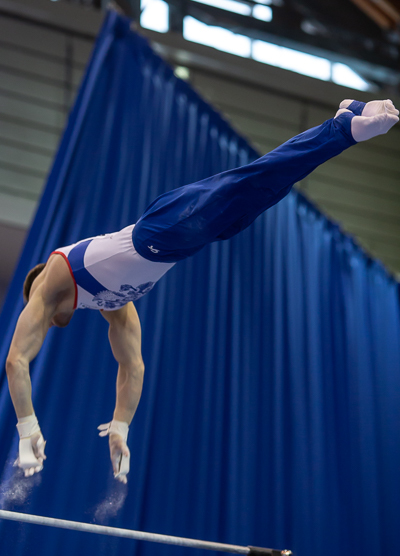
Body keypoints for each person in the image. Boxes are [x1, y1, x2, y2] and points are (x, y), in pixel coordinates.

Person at [5, 99, 399, 484]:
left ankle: (343, 127)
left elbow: (16, 360)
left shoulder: (53, 276)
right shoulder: (110, 302)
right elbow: (133, 366)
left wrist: (27, 427)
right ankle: (342, 120)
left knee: (252, 179)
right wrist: (120, 426)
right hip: (182, 242)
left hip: (159, 227)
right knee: (267, 190)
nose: (49, 324)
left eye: (41, 314)